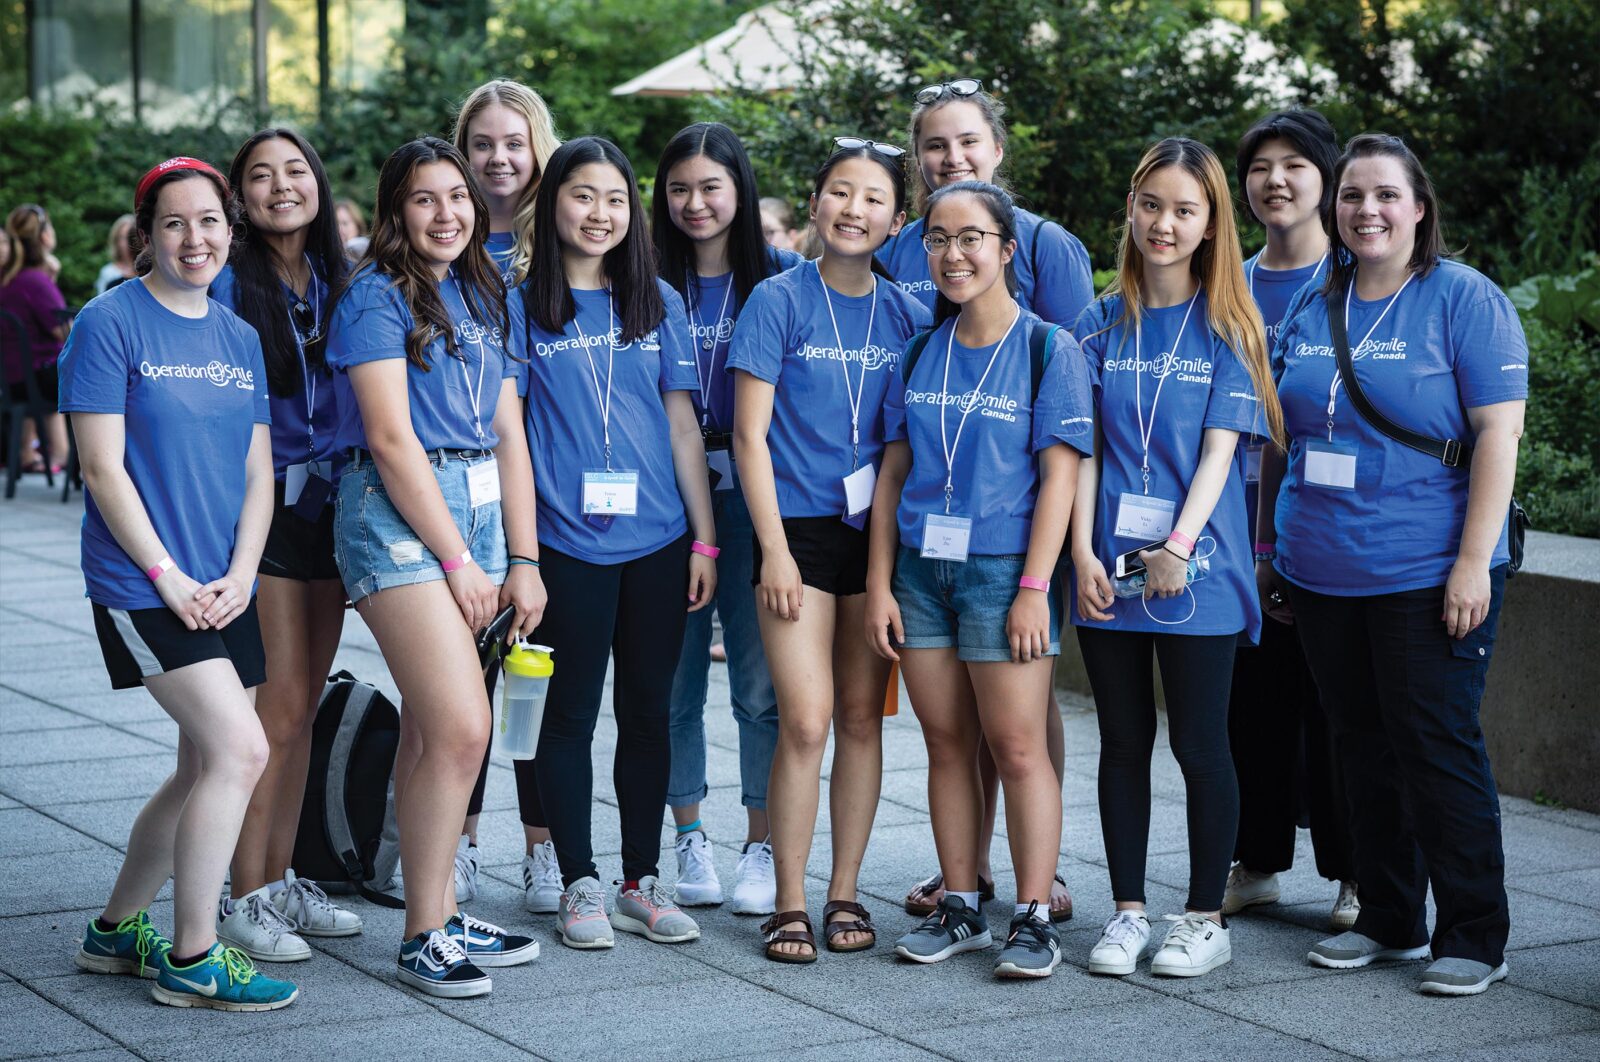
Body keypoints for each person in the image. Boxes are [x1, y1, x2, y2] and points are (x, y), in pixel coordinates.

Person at [1262, 133, 1527, 997]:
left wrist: (1473, 563)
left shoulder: (1463, 299)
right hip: (1320, 571)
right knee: (1359, 749)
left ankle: (1474, 934)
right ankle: (1387, 917)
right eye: (1350, 196)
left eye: (1384, 195)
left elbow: (1498, 437)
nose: (1365, 210)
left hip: (1425, 571)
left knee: (1436, 748)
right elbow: (1283, 438)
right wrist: (1272, 550)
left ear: (1418, 207)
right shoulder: (1314, 301)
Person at [61, 156, 297, 1011]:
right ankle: (194, 956)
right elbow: (101, 466)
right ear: (144, 235)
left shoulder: (237, 336)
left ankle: (117, 930)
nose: (194, 239)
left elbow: (258, 472)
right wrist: (166, 577)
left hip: (221, 584)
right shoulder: (108, 323)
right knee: (241, 750)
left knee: (202, 762)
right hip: (140, 583)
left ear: (230, 231)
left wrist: (239, 575)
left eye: (208, 222)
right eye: (174, 223)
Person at [325, 136, 541, 998]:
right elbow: (387, 435)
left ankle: (440, 908)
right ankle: (422, 934)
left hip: (483, 511)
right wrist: (457, 557)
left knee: (430, 729)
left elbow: (509, 433)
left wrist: (520, 558)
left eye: (457, 195)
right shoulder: (374, 296)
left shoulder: (486, 290)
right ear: (395, 210)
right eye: (425, 199)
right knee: (460, 729)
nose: (447, 213)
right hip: (398, 513)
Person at [867, 180, 1093, 978]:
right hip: (924, 572)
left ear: (1006, 251)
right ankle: (960, 904)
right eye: (937, 239)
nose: (953, 254)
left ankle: (1033, 917)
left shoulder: (1046, 349)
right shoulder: (921, 349)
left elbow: (1059, 480)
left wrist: (1036, 587)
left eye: (971, 239)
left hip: (1003, 576)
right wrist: (883, 583)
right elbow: (894, 473)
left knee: (1019, 747)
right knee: (946, 744)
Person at [1070, 137, 1283, 979]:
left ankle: (1201, 917)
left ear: (1210, 224)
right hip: (1108, 567)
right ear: (1131, 208)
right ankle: (1127, 912)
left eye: (1184, 210)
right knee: (1121, 741)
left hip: (1199, 568)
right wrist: (1083, 551)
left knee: (1201, 745)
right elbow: (1079, 449)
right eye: (1151, 204)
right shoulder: (1095, 320)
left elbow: (1224, 455)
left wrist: (1177, 547)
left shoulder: (1230, 323)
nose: (1164, 223)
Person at [729, 137, 932, 963]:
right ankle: (788, 897)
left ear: (897, 218)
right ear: (814, 205)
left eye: (874, 198)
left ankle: (845, 891)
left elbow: (904, 453)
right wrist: (773, 551)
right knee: (804, 719)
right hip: (797, 535)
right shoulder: (777, 301)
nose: (855, 209)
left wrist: (884, 571)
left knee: (859, 719)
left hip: (874, 537)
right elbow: (747, 437)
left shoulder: (912, 316)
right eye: (840, 193)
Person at [520, 136, 716, 951]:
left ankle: (640, 880)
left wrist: (705, 539)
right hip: (565, 545)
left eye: (613, 199)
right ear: (552, 203)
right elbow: (508, 435)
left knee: (648, 714)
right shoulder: (514, 305)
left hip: (659, 540)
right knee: (566, 719)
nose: (598, 213)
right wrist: (520, 556)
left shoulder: (657, 300)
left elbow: (681, 426)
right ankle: (578, 884)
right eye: (581, 196)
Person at [209, 128, 360, 962]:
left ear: (319, 181)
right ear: (239, 195)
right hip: (260, 516)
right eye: (260, 176)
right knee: (272, 708)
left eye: (295, 169)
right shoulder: (230, 283)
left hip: (333, 512)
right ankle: (243, 895)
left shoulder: (343, 280)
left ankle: (282, 878)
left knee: (303, 707)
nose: (280, 186)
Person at [653, 122, 805, 915]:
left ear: (740, 190)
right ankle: (688, 835)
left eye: (711, 186)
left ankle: (759, 842)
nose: (695, 203)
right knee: (674, 679)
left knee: (757, 679)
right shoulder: (640, 279)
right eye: (679, 188)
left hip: (757, 489)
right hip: (669, 494)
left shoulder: (780, 279)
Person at [1224, 109, 1359, 931]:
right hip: (1228, 527)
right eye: (1261, 166)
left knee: (1334, 706)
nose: (1276, 180)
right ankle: (1258, 858)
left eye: (1295, 165)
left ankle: (1352, 872)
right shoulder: (1227, 282)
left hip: (1321, 530)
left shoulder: (1357, 280)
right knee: (1249, 703)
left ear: (1327, 178)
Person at [448, 76, 562, 911]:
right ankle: (455, 845)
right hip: (467, 500)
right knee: (462, 689)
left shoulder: (561, 238)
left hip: (555, 496)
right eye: (482, 142)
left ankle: (545, 851)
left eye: (514, 142)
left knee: (535, 680)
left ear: (539, 148)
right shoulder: (440, 242)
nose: (498, 157)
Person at [1, 204, 72, 472]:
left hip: (12, 381)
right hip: (42, 381)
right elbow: (65, 333)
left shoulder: (8, 279)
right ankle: (64, 456)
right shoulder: (35, 282)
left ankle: (27, 453)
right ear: (44, 237)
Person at [95, 214, 138, 295]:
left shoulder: (151, 271)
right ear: (116, 240)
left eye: (131, 236)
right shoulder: (109, 273)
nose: (128, 242)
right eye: (123, 237)